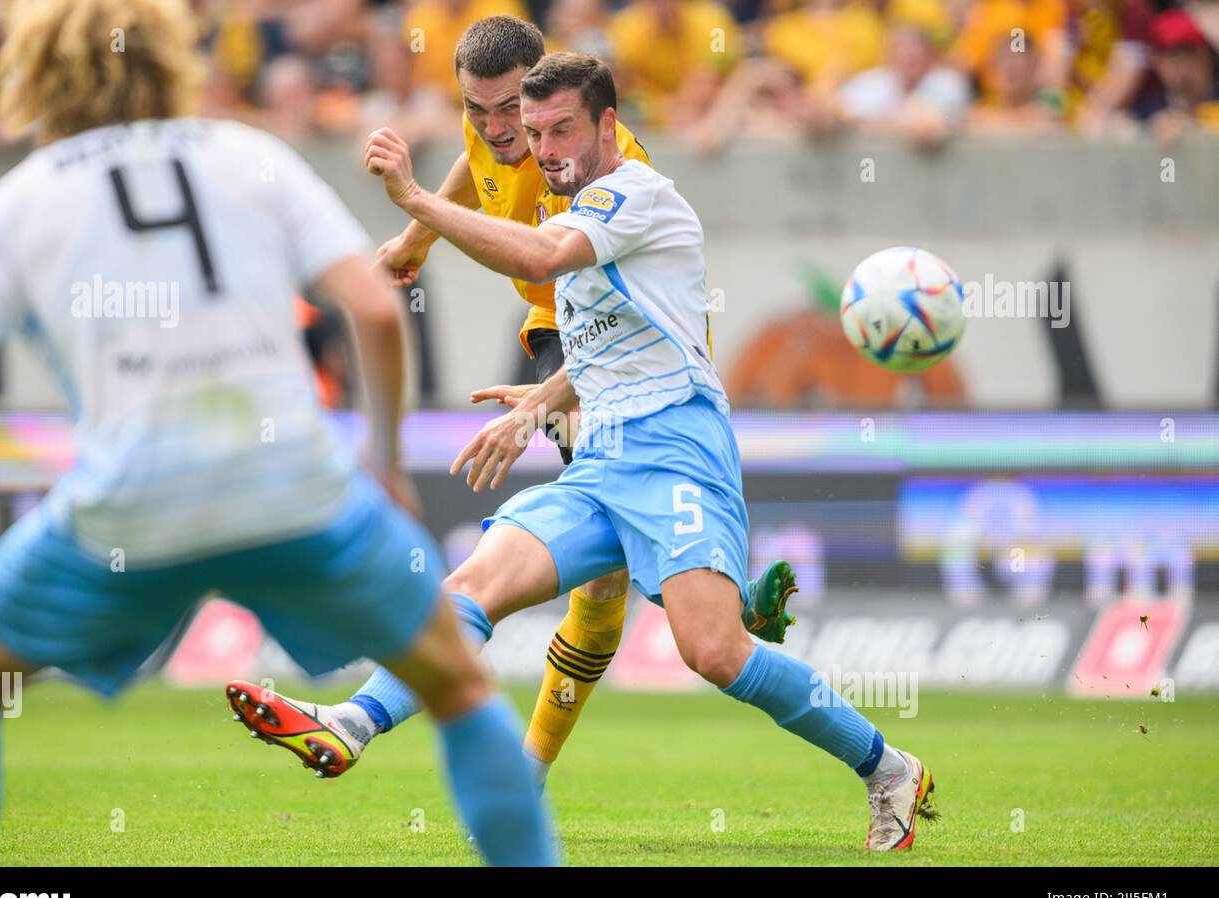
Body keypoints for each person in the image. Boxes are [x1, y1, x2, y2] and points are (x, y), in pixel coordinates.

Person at [0, 0, 554, 868]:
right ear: (175, 58)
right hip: (297, 491)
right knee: (456, 682)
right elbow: (373, 305)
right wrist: (381, 465)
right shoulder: (250, 155)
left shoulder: (19, 200)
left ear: (36, 69)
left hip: (129, 510)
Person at [363, 51, 936, 849]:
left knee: (713, 653)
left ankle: (887, 766)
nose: (539, 147)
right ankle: (348, 723)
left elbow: (537, 258)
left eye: (559, 129)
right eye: (532, 132)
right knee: (477, 581)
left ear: (607, 123)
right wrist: (537, 404)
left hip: (675, 442)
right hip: (602, 451)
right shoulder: (553, 195)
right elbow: (602, 355)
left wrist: (415, 207)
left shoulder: (633, 190)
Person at [229, 15, 799, 794]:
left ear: (546, 92)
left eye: (513, 114)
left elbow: (541, 250)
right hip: (554, 326)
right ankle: (721, 618)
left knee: (601, 591)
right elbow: (477, 165)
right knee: (595, 577)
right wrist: (415, 242)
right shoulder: (497, 129)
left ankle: (536, 759)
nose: (500, 132)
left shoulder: (606, 160)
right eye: (479, 111)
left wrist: (420, 212)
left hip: (624, 340)